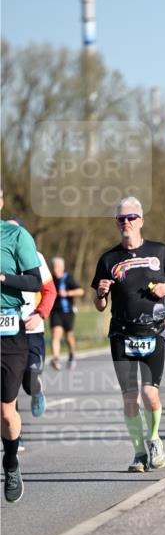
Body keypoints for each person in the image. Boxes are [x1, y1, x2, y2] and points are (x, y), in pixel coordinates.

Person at [91, 197, 165, 472]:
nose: (125, 222)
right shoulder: (108, 259)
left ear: (140, 220)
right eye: (120, 219)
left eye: (130, 217)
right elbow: (99, 305)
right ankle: (139, 453)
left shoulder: (159, 251)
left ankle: (153, 439)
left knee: (150, 394)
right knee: (130, 398)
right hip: (121, 335)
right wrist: (102, 294)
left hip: (154, 333)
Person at [1, 191, 42, 502]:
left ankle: (11, 463)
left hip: (10, 331)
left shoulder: (16, 235)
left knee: (6, 410)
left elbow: (33, 282)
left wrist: (2, 277)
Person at [5, 219, 56, 439]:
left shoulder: (37, 258)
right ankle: (15, 433)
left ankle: (36, 390)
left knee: (28, 379)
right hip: (9, 327)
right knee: (8, 384)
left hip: (32, 326)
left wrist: (40, 314)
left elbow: (49, 290)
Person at [49, 256, 84, 369]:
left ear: (62, 267)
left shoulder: (68, 278)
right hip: (55, 312)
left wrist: (67, 293)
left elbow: (80, 291)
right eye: (54, 267)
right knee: (56, 334)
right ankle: (56, 359)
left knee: (69, 336)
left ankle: (72, 355)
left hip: (68, 311)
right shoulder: (50, 279)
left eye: (58, 267)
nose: (55, 269)